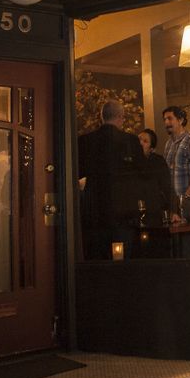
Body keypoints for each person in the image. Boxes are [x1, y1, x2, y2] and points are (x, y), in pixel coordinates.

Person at [77, 100, 143, 259]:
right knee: (124, 258)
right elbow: (141, 173)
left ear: (102, 117)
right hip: (124, 210)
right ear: (120, 117)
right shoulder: (131, 141)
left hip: (95, 210)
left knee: (97, 257)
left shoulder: (85, 141)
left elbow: (78, 173)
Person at [161, 106, 190, 223]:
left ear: (180, 120)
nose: (166, 122)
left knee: (189, 231)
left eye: (170, 118)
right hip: (173, 200)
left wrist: (186, 196)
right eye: (164, 119)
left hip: (188, 198)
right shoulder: (168, 144)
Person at [138, 129, 179, 224]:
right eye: (139, 139)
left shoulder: (158, 162)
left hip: (154, 211)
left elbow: (167, 188)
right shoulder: (129, 161)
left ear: (151, 149)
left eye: (145, 141)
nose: (140, 143)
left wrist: (172, 211)